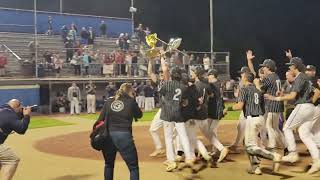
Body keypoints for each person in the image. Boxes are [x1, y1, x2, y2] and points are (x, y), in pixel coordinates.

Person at [264, 57, 320, 174]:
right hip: (311, 108)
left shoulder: (300, 77)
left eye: (290, 66)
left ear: (295, 67)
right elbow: (314, 92)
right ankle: (317, 161)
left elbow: (292, 96)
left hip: (303, 106)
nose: (289, 68)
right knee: (305, 134)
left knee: (286, 128)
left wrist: (275, 98)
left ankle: (293, 153)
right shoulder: (306, 77)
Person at [232, 72, 281, 175]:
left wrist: (228, 109)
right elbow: (263, 107)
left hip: (252, 119)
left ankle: (273, 156)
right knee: (251, 144)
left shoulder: (244, 89)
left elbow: (239, 106)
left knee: (250, 147)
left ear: (245, 79)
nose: (241, 79)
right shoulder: (258, 90)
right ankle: (255, 167)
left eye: (242, 77)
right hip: (260, 118)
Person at [100, 83, 142, 180]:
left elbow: (101, 119)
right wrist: (133, 100)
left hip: (108, 136)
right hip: (123, 136)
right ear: (130, 92)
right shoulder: (131, 101)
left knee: (108, 165)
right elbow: (139, 115)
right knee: (133, 168)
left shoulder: (109, 101)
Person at [247, 51, 287, 151]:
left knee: (271, 127)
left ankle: (275, 146)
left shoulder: (269, 77)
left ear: (268, 67)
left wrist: (256, 84)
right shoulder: (275, 76)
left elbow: (259, 90)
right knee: (274, 128)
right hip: (277, 105)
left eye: (264, 66)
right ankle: (285, 147)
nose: (263, 68)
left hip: (273, 105)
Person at [160, 67, 195, 172]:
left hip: (167, 114)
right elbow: (185, 103)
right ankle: (189, 158)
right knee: (183, 136)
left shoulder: (167, 84)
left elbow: (161, 95)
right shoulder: (184, 87)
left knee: (168, 138)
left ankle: (171, 160)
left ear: (172, 75)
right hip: (178, 113)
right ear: (180, 76)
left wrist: (167, 102)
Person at [0, 99, 31, 180]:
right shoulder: (10, 115)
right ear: (15, 107)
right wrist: (26, 115)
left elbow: (9, 118)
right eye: (20, 107)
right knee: (12, 159)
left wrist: (20, 114)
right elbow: (21, 129)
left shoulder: (3, 109)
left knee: (1, 160)